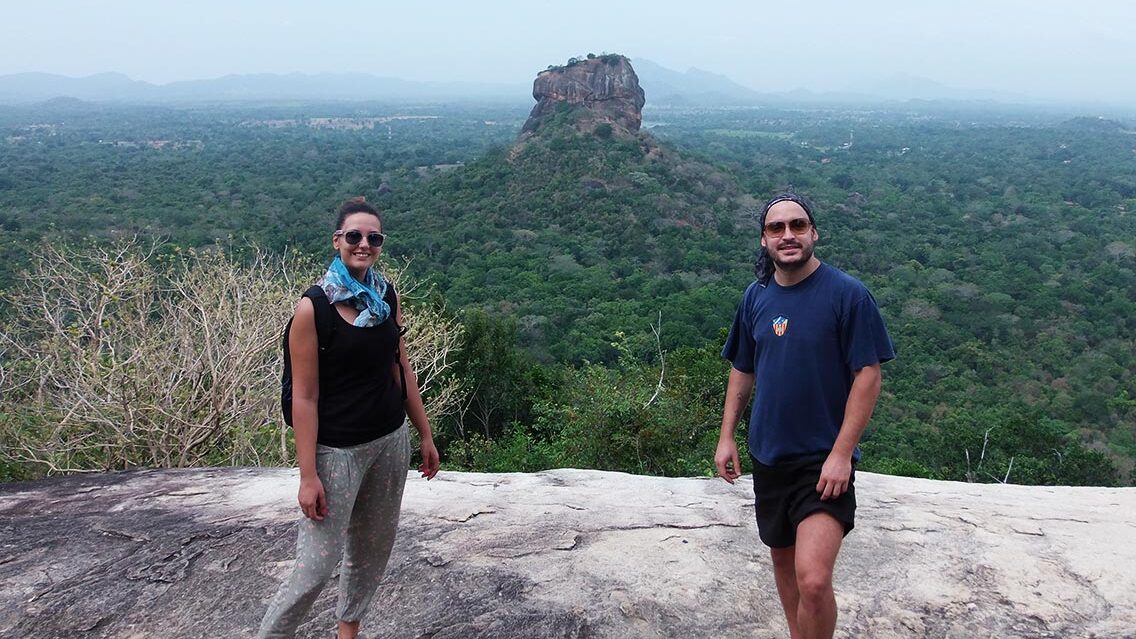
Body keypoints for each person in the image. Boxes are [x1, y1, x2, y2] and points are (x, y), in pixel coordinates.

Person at [258, 197, 440, 639]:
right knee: (314, 567)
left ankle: (348, 633)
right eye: (354, 236)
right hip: (336, 450)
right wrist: (307, 475)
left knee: (371, 551)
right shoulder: (313, 309)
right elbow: (304, 395)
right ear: (337, 240)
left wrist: (425, 433)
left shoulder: (385, 294)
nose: (364, 244)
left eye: (373, 238)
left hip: (388, 440)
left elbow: (400, 365)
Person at [714, 192, 894, 639]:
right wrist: (726, 436)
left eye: (798, 225)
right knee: (785, 567)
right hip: (770, 458)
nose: (788, 235)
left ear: (814, 232)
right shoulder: (756, 297)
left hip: (822, 462)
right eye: (777, 228)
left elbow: (868, 376)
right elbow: (743, 368)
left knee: (813, 579)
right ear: (764, 240)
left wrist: (842, 454)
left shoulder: (847, 295)